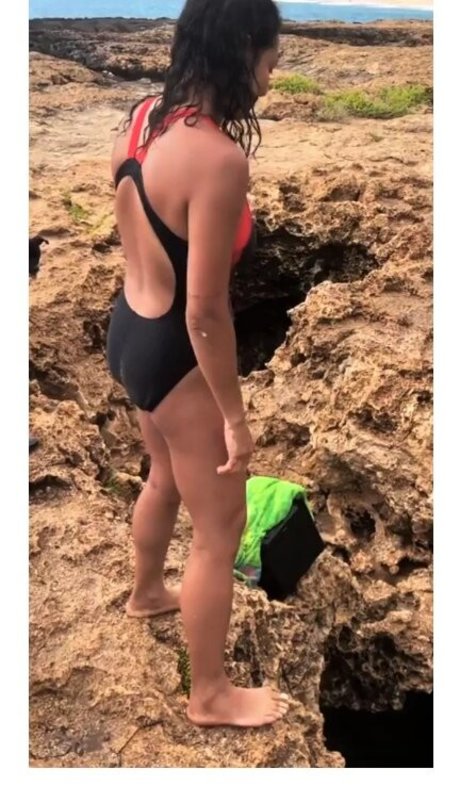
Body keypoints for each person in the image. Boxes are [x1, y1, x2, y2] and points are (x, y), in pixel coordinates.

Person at [106, 0, 288, 728]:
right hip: (177, 351)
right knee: (220, 529)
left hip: (129, 329)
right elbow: (206, 311)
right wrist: (235, 422)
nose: (270, 81)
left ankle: (147, 592)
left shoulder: (144, 118)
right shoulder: (218, 159)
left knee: (162, 474)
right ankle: (209, 693)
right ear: (241, 49)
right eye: (271, 62)